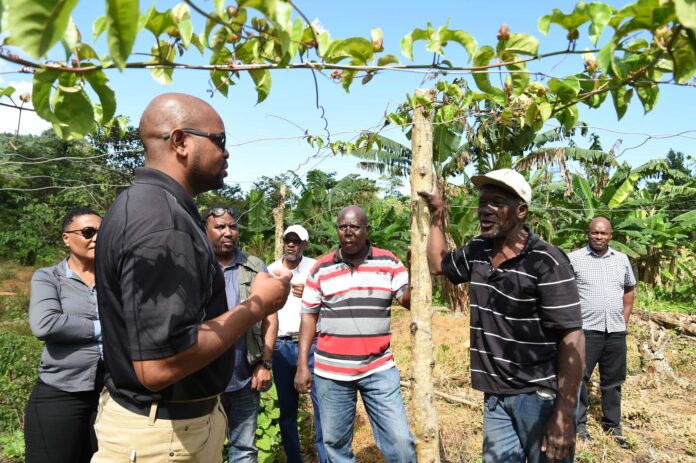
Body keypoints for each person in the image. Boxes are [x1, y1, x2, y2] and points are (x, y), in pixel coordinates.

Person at [93, 93, 291, 463]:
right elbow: (158, 365)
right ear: (181, 141)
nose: (227, 152)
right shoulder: (163, 224)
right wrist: (257, 306)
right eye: (220, 140)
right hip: (164, 439)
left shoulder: (150, 208)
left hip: (170, 428)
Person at [419, 168, 585, 463]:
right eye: (483, 203)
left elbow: (572, 336)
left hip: (539, 396)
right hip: (495, 397)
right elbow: (438, 264)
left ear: (521, 210)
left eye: (497, 203)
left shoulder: (546, 261)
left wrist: (564, 413)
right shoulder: (478, 250)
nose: (485, 210)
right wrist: (439, 213)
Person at [294, 206, 416, 463]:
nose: (348, 232)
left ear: (367, 230)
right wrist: (302, 364)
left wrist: (417, 274)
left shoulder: (389, 262)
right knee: (335, 445)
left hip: (378, 368)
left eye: (355, 227)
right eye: (342, 227)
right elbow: (308, 316)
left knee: (401, 443)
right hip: (331, 372)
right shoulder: (321, 268)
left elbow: (408, 300)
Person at [24, 208, 104, 463]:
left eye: (103, 232)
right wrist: (104, 328)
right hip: (61, 391)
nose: (96, 238)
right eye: (88, 232)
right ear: (66, 238)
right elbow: (45, 324)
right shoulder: (49, 278)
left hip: (111, 394)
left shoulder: (116, 279)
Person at [203, 204, 277, 463]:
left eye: (232, 227)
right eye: (220, 227)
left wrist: (265, 362)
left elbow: (270, 315)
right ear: (206, 229)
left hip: (245, 375)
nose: (228, 232)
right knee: (201, 448)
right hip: (204, 378)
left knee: (244, 449)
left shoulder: (255, 266)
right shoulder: (195, 266)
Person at [568, 217, 636, 448]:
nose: (599, 237)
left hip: (615, 331)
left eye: (603, 233)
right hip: (586, 330)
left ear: (611, 235)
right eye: (595, 233)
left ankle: (613, 428)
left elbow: (629, 289)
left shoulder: (622, 260)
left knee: (613, 381)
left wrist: (624, 321)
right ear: (588, 233)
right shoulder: (574, 259)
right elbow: (564, 292)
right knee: (579, 379)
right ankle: (579, 426)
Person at [267, 225, 326, 463]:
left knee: (322, 408)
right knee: (287, 412)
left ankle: (326, 458)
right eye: (288, 240)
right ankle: (294, 459)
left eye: (297, 241)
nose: (291, 245)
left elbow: (331, 300)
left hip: (313, 345)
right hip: (282, 347)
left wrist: (312, 293)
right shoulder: (270, 270)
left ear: (305, 245)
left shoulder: (315, 268)